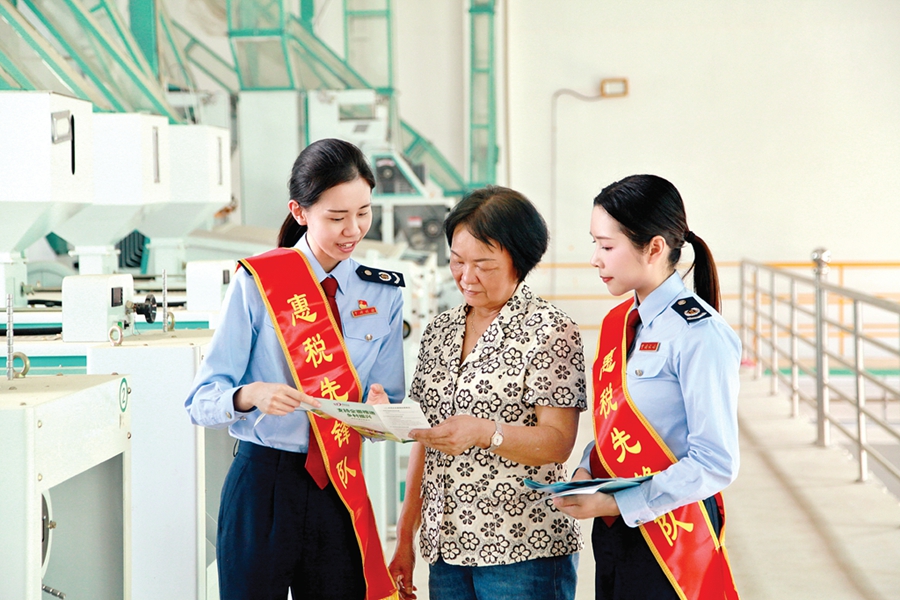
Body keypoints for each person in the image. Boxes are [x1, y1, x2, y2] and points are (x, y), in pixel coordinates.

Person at [185, 138, 406, 600]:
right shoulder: (257, 282)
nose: (353, 230)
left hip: (339, 486)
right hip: (263, 484)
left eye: (363, 212)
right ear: (300, 212)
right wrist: (250, 395)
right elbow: (201, 400)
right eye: (337, 217)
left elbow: (390, 397)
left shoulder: (383, 293)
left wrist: (380, 410)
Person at [387, 186, 586, 600]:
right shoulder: (440, 331)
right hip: (446, 549)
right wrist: (405, 536)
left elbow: (558, 442)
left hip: (522, 548)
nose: (466, 276)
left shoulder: (550, 330)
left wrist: (484, 432)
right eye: (457, 261)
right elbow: (425, 438)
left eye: (484, 265)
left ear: (519, 261)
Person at [553, 174, 741, 599]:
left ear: (654, 248)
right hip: (615, 529)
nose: (595, 260)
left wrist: (618, 503)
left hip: (674, 530)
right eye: (595, 244)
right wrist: (588, 467)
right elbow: (615, 420)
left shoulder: (699, 334)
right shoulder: (617, 323)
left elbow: (716, 461)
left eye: (607, 247)